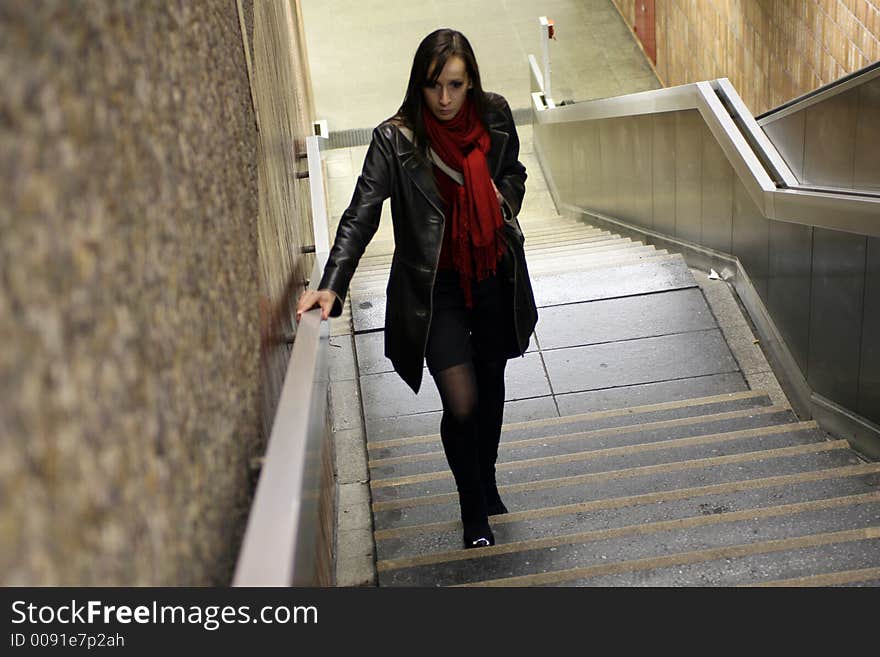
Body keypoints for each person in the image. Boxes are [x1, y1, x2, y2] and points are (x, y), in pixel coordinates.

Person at [296, 28, 537, 549]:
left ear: (471, 81)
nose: (445, 99)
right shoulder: (396, 139)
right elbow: (361, 212)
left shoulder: (494, 115)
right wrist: (331, 284)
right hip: (434, 291)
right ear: (418, 84)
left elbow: (515, 171)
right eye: (434, 87)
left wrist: (503, 198)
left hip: (493, 272)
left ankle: (487, 478)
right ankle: (473, 510)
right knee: (463, 402)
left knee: (491, 390)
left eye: (455, 85)